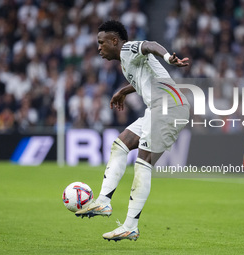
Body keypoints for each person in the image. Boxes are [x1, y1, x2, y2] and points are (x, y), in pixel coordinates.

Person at [75, 20, 190, 241]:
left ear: (114, 41)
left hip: (169, 107)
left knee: (143, 161)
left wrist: (168, 58)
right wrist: (124, 91)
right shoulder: (126, 63)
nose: (99, 48)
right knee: (121, 144)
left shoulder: (128, 49)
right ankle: (103, 202)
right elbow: (143, 81)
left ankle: (130, 226)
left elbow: (150, 44)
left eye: (101, 43)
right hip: (157, 108)